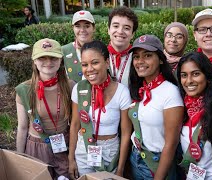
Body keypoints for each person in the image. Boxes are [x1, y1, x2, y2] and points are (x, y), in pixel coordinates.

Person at [68, 40, 132, 179]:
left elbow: (126, 133)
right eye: (84, 65)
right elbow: (74, 125)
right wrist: (71, 159)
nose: (89, 69)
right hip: (84, 148)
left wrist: (120, 169)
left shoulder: (122, 92)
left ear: (107, 62)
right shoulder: (79, 89)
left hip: (110, 151)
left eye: (95, 62)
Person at [15, 38, 74, 179]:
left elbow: (75, 124)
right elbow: (22, 128)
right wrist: (19, 158)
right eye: (42, 58)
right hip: (37, 147)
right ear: (34, 61)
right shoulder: (25, 90)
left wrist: (73, 154)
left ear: (60, 61)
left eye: (53, 57)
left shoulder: (70, 86)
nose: (48, 62)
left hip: (63, 145)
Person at [128, 34, 184, 179]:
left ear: (160, 59)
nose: (140, 61)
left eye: (147, 56)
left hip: (156, 164)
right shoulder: (140, 87)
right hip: (136, 157)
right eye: (136, 57)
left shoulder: (170, 92)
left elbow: (171, 144)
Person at [176, 52, 212, 179]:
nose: (189, 81)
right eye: (184, 75)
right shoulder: (181, 107)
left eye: (196, 74)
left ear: (207, 76)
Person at [107, 6, 138, 87]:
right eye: (116, 26)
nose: (120, 31)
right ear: (108, 30)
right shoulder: (98, 54)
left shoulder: (138, 58)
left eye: (126, 28)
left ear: (132, 34)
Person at [62, 10, 95, 83]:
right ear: (73, 28)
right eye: (78, 26)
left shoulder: (101, 49)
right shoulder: (64, 51)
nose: (82, 30)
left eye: (87, 26)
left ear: (93, 28)